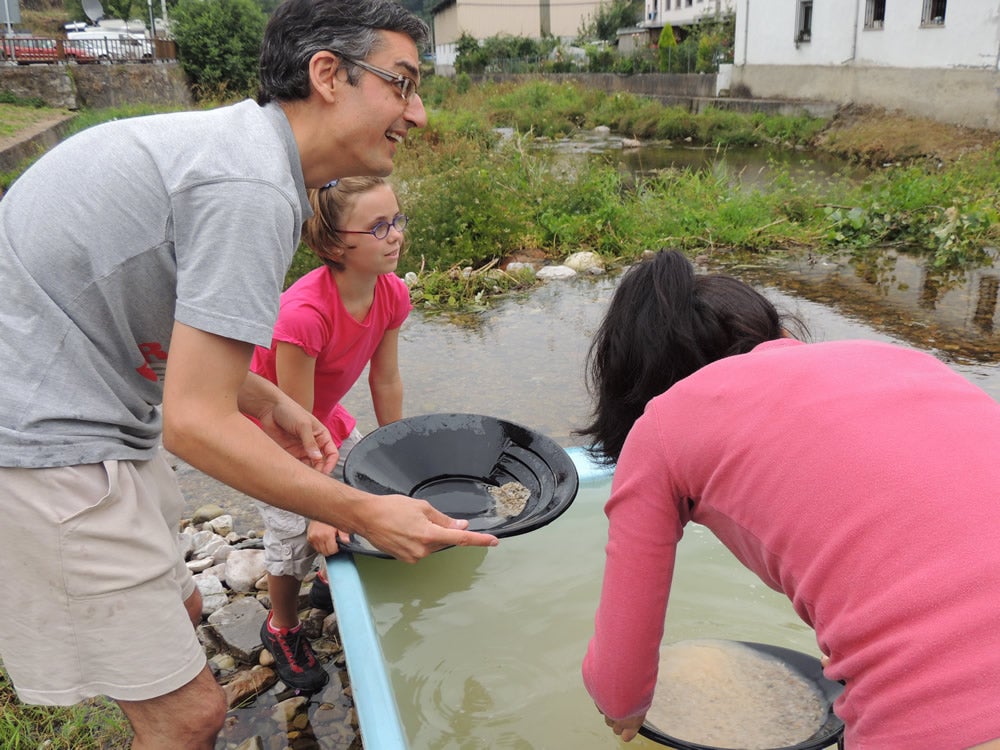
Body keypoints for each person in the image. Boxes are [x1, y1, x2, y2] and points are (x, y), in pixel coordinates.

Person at [0, 0, 498, 747]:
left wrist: (268, 400)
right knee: (189, 718)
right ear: (327, 75)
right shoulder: (252, 187)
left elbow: (168, 334)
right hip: (48, 443)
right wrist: (359, 511)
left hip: (101, 407)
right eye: (401, 84)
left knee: (191, 611)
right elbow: (197, 424)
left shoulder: (243, 155)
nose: (417, 113)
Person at [579, 250, 1000, 749]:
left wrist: (622, 705)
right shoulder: (902, 360)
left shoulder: (663, 426)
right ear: (779, 333)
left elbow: (619, 689)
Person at [250, 176, 412, 692]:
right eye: (378, 226)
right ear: (337, 242)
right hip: (272, 429)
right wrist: (317, 509)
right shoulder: (303, 315)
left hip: (322, 415)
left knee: (365, 486)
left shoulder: (390, 292)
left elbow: (384, 378)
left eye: (397, 219)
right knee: (293, 534)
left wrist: (404, 455)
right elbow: (293, 420)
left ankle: (327, 579)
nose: (395, 236)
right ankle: (282, 627)